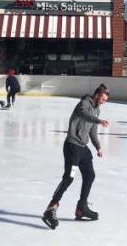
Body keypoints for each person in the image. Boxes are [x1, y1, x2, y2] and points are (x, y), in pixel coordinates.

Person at [42, 84, 110, 230]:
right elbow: (84, 114)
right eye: (103, 99)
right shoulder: (84, 103)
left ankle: (82, 207)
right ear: (97, 95)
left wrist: (98, 146)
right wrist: (99, 121)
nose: (104, 103)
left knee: (90, 175)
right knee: (69, 177)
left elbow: (92, 131)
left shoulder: (97, 110)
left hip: (82, 148)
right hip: (72, 146)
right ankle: (51, 208)